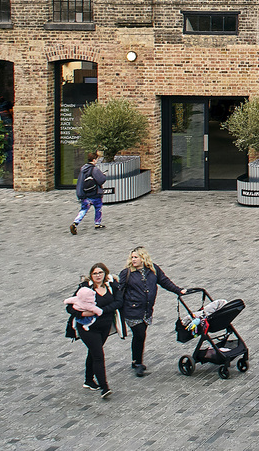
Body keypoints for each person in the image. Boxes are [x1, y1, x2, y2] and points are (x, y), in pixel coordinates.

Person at [120, 247, 183, 375]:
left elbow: (165, 282)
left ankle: (135, 360)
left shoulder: (153, 270)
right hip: (132, 310)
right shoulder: (126, 273)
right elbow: (120, 291)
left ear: (143, 258)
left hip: (146, 310)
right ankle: (138, 362)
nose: (133, 260)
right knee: (140, 334)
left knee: (140, 335)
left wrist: (178, 290)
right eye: (132, 257)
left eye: (136, 257)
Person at [66, 261, 120, 398]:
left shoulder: (111, 285)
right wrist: (83, 314)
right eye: (94, 273)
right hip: (88, 327)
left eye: (100, 273)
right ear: (91, 275)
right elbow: (70, 307)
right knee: (98, 355)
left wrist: (102, 310)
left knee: (93, 351)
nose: (97, 276)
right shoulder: (85, 288)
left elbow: (119, 302)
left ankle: (88, 380)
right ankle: (104, 387)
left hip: (105, 325)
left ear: (105, 273)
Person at [71, 150, 106, 234]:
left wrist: (80, 194)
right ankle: (97, 223)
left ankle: (75, 223)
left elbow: (80, 182)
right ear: (94, 160)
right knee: (98, 208)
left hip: (85, 194)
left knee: (83, 209)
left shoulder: (83, 169)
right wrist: (104, 175)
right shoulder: (94, 169)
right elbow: (101, 180)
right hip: (95, 193)